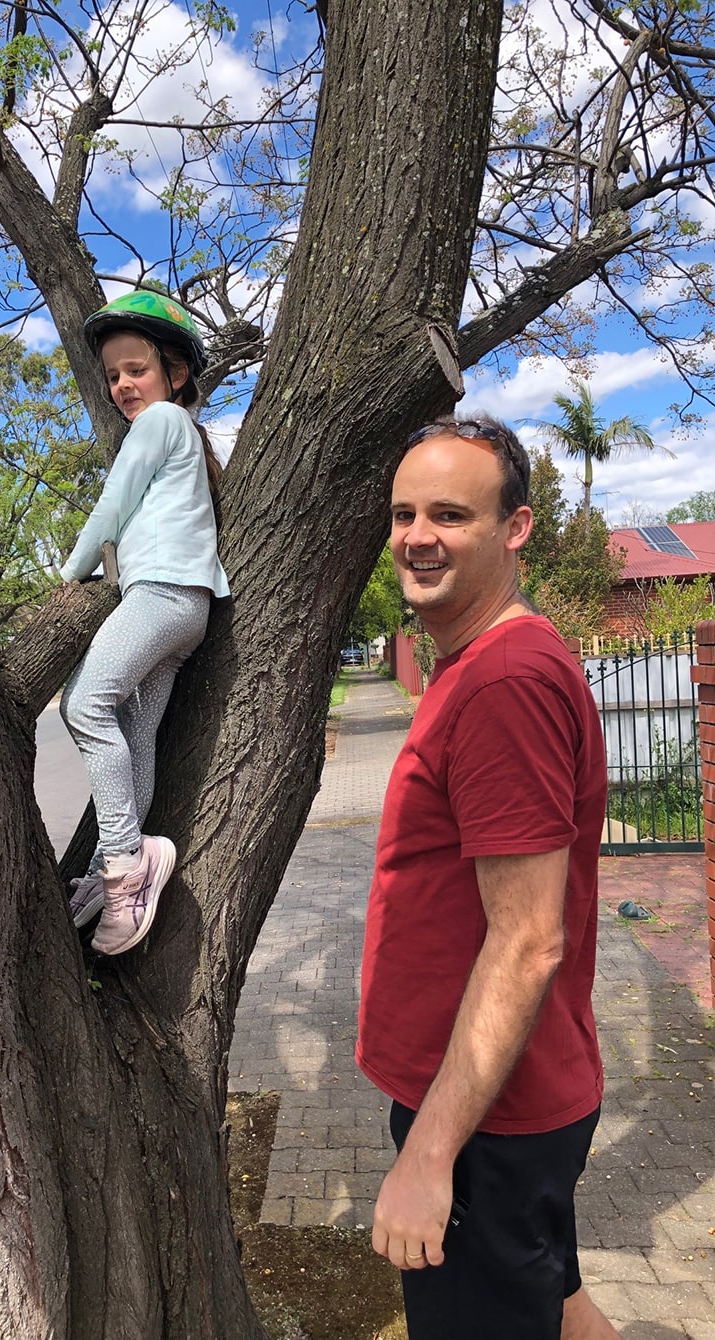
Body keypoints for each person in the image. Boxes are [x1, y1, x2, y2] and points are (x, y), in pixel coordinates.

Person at [356, 415, 620, 1339]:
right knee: (565, 1310)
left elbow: (527, 939)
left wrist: (429, 1156)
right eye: (403, 513)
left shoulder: (505, 680)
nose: (418, 536)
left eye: (450, 515)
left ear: (515, 528)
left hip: (482, 1129)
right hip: (502, 1104)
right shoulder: (481, 665)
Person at [58, 291, 229, 956]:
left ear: (175, 374)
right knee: (133, 729)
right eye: (113, 376)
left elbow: (111, 506)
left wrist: (70, 573)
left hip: (161, 597)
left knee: (82, 705)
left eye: (137, 369)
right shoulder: (180, 434)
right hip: (186, 609)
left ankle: (127, 863)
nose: (124, 385)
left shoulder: (158, 425)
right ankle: (113, 871)